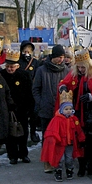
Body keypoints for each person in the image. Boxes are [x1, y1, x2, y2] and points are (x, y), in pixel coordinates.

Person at [58, 48, 92, 177]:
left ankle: (90, 166)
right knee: (80, 141)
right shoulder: (75, 74)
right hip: (78, 111)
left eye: (83, 67)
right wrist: (63, 87)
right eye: (79, 67)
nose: (81, 70)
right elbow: (65, 83)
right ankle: (81, 166)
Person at [32, 44, 70, 173]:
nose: (61, 60)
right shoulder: (42, 70)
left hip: (62, 111)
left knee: (61, 137)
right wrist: (41, 102)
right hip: (46, 110)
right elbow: (35, 89)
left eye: (62, 57)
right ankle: (47, 162)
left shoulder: (67, 71)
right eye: (58, 57)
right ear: (52, 57)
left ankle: (59, 161)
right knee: (48, 137)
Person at [40, 91, 85, 182]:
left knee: (69, 158)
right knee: (60, 158)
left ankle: (69, 170)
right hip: (60, 143)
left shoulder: (74, 119)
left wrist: (81, 138)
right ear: (61, 110)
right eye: (66, 109)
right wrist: (54, 139)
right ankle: (58, 171)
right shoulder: (57, 119)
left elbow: (78, 130)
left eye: (70, 108)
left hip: (70, 143)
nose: (68, 110)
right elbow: (52, 131)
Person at [0, 50, 34, 164]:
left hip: (22, 109)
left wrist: (29, 108)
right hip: (8, 109)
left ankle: (23, 154)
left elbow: (30, 92)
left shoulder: (24, 75)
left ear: (17, 66)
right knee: (10, 134)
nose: (10, 69)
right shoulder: (1, 75)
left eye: (12, 67)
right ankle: (12, 155)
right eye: (8, 66)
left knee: (23, 133)